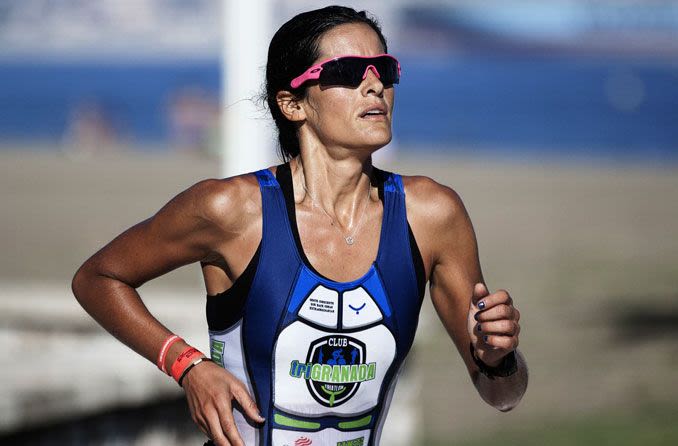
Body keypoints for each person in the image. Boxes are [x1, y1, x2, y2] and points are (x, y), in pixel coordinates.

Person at [71, 6, 528, 446]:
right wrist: (186, 364)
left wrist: (498, 361)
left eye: (384, 69)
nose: (374, 86)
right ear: (293, 104)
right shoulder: (231, 209)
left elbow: (503, 397)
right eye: (349, 72)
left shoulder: (431, 214)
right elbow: (98, 278)